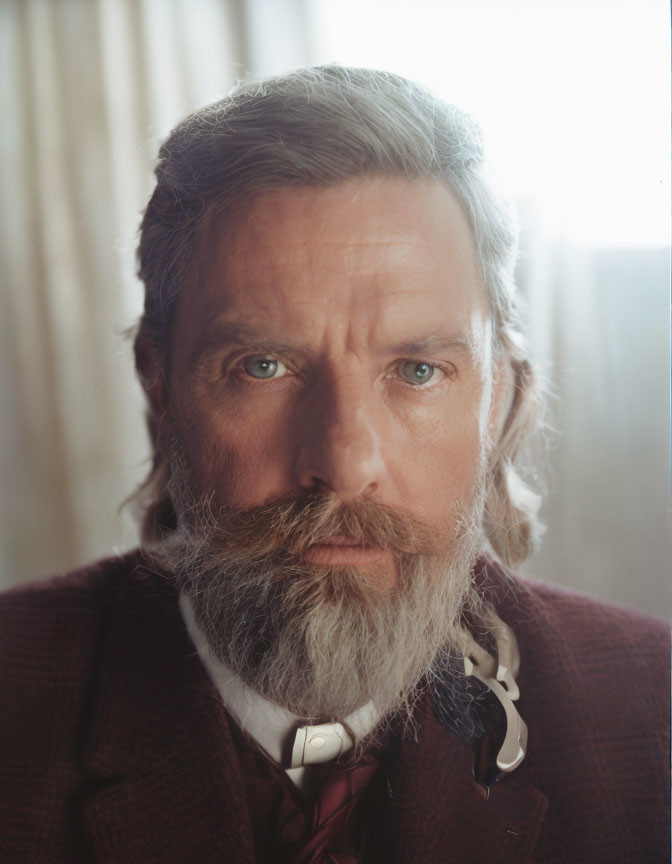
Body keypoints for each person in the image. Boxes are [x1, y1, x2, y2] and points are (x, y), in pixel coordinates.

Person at [0, 66, 668, 864]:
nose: (345, 464)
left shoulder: (654, 714)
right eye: (262, 367)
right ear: (159, 385)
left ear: (501, 401)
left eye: (417, 370)